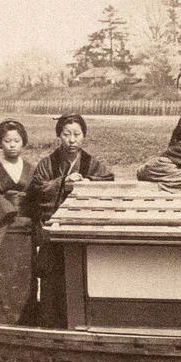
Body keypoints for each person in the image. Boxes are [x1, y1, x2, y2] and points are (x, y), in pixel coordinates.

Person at [26, 114, 116, 326]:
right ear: (59, 136)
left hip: (79, 234)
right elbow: (37, 189)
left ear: (84, 136)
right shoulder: (47, 163)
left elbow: (108, 181)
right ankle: (50, 325)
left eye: (77, 134)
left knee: (80, 278)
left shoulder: (91, 164)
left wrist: (87, 182)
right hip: (52, 234)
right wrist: (63, 182)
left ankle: (80, 324)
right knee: (51, 280)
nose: (72, 140)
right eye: (67, 134)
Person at [0, 119, 37, 325]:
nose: (12, 145)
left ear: (23, 142)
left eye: (17, 140)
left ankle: (26, 322)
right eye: (7, 140)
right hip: (3, 232)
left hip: (26, 233)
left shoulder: (31, 170)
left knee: (25, 278)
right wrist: (8, 205)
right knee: (0, 278)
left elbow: (39, 196)